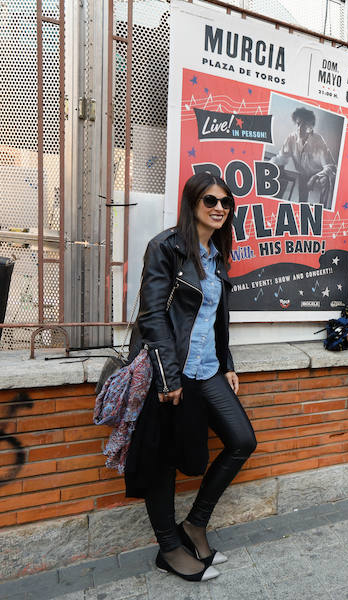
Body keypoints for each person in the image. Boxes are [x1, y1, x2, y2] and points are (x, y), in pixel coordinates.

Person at [126, 172, 257, 582]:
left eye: (226, 202)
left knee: (241, 441)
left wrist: (228, 361)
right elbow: (153, 316)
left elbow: (215, 318)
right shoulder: (165, 248)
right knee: (162, 460)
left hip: (208, 370)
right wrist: (168, 380)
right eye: (210, 201)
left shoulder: (218, 252)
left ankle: (194, 525)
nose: (219, 208)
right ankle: (168, 548)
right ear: (192, 204)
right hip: (172, 372)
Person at [272, 106, 337, 207]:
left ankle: (323, 209)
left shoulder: (318, 140)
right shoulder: (291, 138)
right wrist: (270, 166)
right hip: (303, 174)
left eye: (304, 124)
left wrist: (314, 177)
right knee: (302, 200)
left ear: (310, 126)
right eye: (298, 124)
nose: (299, 128)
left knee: (325, 180)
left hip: (320, 173)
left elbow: (329, 167)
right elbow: (282, 157)